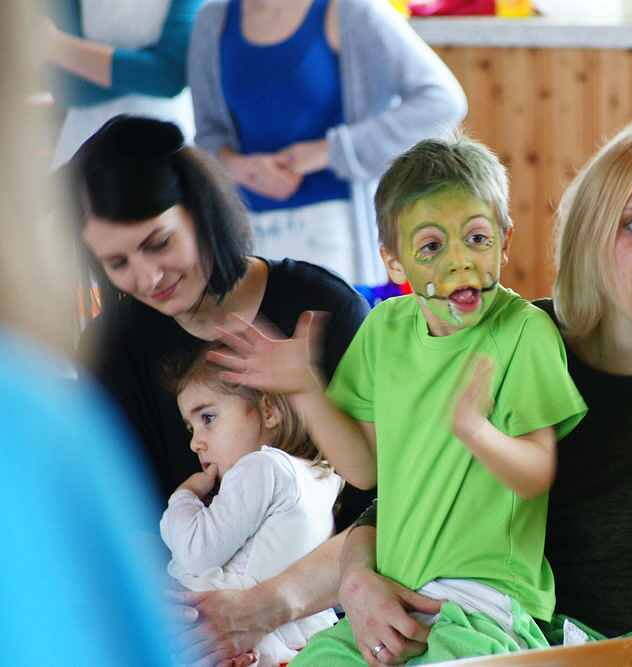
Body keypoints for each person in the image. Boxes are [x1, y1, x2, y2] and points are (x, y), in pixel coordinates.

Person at [172, 120, 632, 665]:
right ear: (593, 234)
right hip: (465, 629)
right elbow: (398, 498)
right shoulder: (511, 333)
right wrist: (355, 580)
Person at [207, 134, 587, 665]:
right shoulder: (384, 328)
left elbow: (535, 472)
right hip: (386, 596)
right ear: (395, 263)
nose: (459, 262)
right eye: (431, 247)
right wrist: (305, 389)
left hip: (483, 604)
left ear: (504, 241)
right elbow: (364, 469)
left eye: (477, 238)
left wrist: (478, 433)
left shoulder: (523, 332)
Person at [67, 114, 371, 531]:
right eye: (118, 263)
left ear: (201, 214)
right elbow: (123, 511)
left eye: (160, 243)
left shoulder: (324, 306)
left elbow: (379, 489)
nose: (149, 278)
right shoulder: (112, 347)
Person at [2, 2, 178, 662]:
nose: (146, 276)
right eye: (119, 261)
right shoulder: (39, 419)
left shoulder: (40, 416)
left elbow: (167, 70)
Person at [187, 0, 467, 286]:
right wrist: (238, 167)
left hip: (335, 232)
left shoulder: (352, 10)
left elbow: (443, 102)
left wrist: (329, 151)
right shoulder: (211, 20)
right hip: (243, 235)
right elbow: (208, 134)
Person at [160, 346, 343, 666]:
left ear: (268, 411)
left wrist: (183, 497)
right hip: (287, 638)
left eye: (208, 418)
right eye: (191, 428)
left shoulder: (261, 466)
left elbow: (196, 552)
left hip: (222, 629)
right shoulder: (318, 477)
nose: (195, 442)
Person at [44, 0, 201, 165]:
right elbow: (67, 87)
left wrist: (62, 48)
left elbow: (170, 76)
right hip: (84, 138)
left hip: (164, 137)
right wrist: (149, 68)